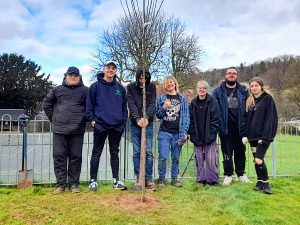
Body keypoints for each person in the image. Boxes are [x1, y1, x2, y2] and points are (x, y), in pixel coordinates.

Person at [43, 66, 88, 195]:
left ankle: (74, 184)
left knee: (76, 157)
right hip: (59, 130)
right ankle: (60, 185)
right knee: (59, 157)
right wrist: (54, 118)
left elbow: (90, 106)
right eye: (70, 75)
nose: (73, 77)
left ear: (79, 77)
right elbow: (46, 103)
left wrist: (83, 118)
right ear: (66, 76)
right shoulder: (57, 90)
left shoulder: (86, 91)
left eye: (75, 76)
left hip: (77, 130)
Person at [86, 61, 128, 191]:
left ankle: (116, 181)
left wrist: (123, 121)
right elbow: (89, 105)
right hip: (101, 125)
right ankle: (93, 181)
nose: (111, 70)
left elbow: (124, 107)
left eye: (113, 68)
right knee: (96, 152)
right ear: (104, 69)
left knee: (114, 153)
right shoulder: (95, 86)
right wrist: (93, 121)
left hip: (117, 126)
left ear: (116, 71)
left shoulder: (120, 88)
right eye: (108, 68)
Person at [212, 66, 251, 185]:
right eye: (229, 73)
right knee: (226, 152)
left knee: (240, 152)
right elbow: (214, 109)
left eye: (234, 73)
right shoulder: (218, 91)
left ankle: (241, 174)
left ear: (237, 76)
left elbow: (248, 107)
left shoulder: (243, 90)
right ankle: (228, 175)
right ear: (225, 75)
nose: (232, 75)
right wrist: (218, 124)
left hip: (240, 127)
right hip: (225, 128)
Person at [241, 77, 278, 194]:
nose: (254, 88)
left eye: (256, 85)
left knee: (258, 160)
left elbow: (270, 120)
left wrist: (266, 137)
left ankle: (266, 184)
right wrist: (245, 135)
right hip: (252, 137)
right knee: (255, 159)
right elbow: (245, 119)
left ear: (261, 86)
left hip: (263, 137)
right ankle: (259, 182)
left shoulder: (268, 99)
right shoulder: (249, 100)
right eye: (252, 86)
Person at [156, 76, 190, 187]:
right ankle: (161, 179)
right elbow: (158, 115)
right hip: (164, 132)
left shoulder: (182, 99)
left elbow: (186, 117)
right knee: (163, 157)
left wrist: (184, 133)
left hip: (178, 133)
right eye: (167, 83)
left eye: (171, 82)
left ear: (175, 84)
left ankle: (174, 179)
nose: (169, 84)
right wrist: (164, 107)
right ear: (165, 86)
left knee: (175, 158)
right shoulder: (161, 98)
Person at [127, 67, 156, 189]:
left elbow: (152, 103)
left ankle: (148, 178)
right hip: (135, 124)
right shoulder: (131, 88)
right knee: (137, 152)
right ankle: (139, 178)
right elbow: (131, 104)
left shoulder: (151, 87)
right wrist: (138, 119)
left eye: (144, 78)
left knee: (148, 151)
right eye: (140, 78)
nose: (142, 80)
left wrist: (146, 117)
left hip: (148, 123)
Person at [188, 80, 220, 186]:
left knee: (211, 159)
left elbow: (216, 119)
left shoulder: (213, 101)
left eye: (204, 88)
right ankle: (201, 179)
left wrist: (212, 134)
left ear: (207, 89)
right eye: (200, 88)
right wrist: (192, 134)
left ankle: (213, 180)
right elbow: (190, 120)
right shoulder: (193, 103)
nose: (202, 90)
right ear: (197, 89)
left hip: (210, 136)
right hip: (197, 135)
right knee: (199, 159)